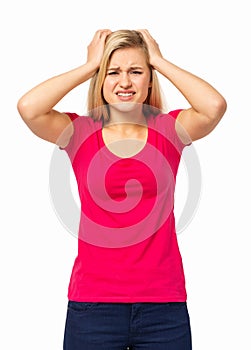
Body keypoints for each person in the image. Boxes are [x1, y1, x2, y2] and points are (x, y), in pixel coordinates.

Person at [17, 29, 227, 350]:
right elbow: (29, 107)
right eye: (113, 72)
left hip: (163, 307)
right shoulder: (79, 132)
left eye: (136, 71)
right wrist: (89, 66)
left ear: (149, 81)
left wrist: (158, 59)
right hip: (93, 307)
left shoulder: (169, 130)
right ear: (101, 80)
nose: (125, 82)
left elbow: (213, 106)